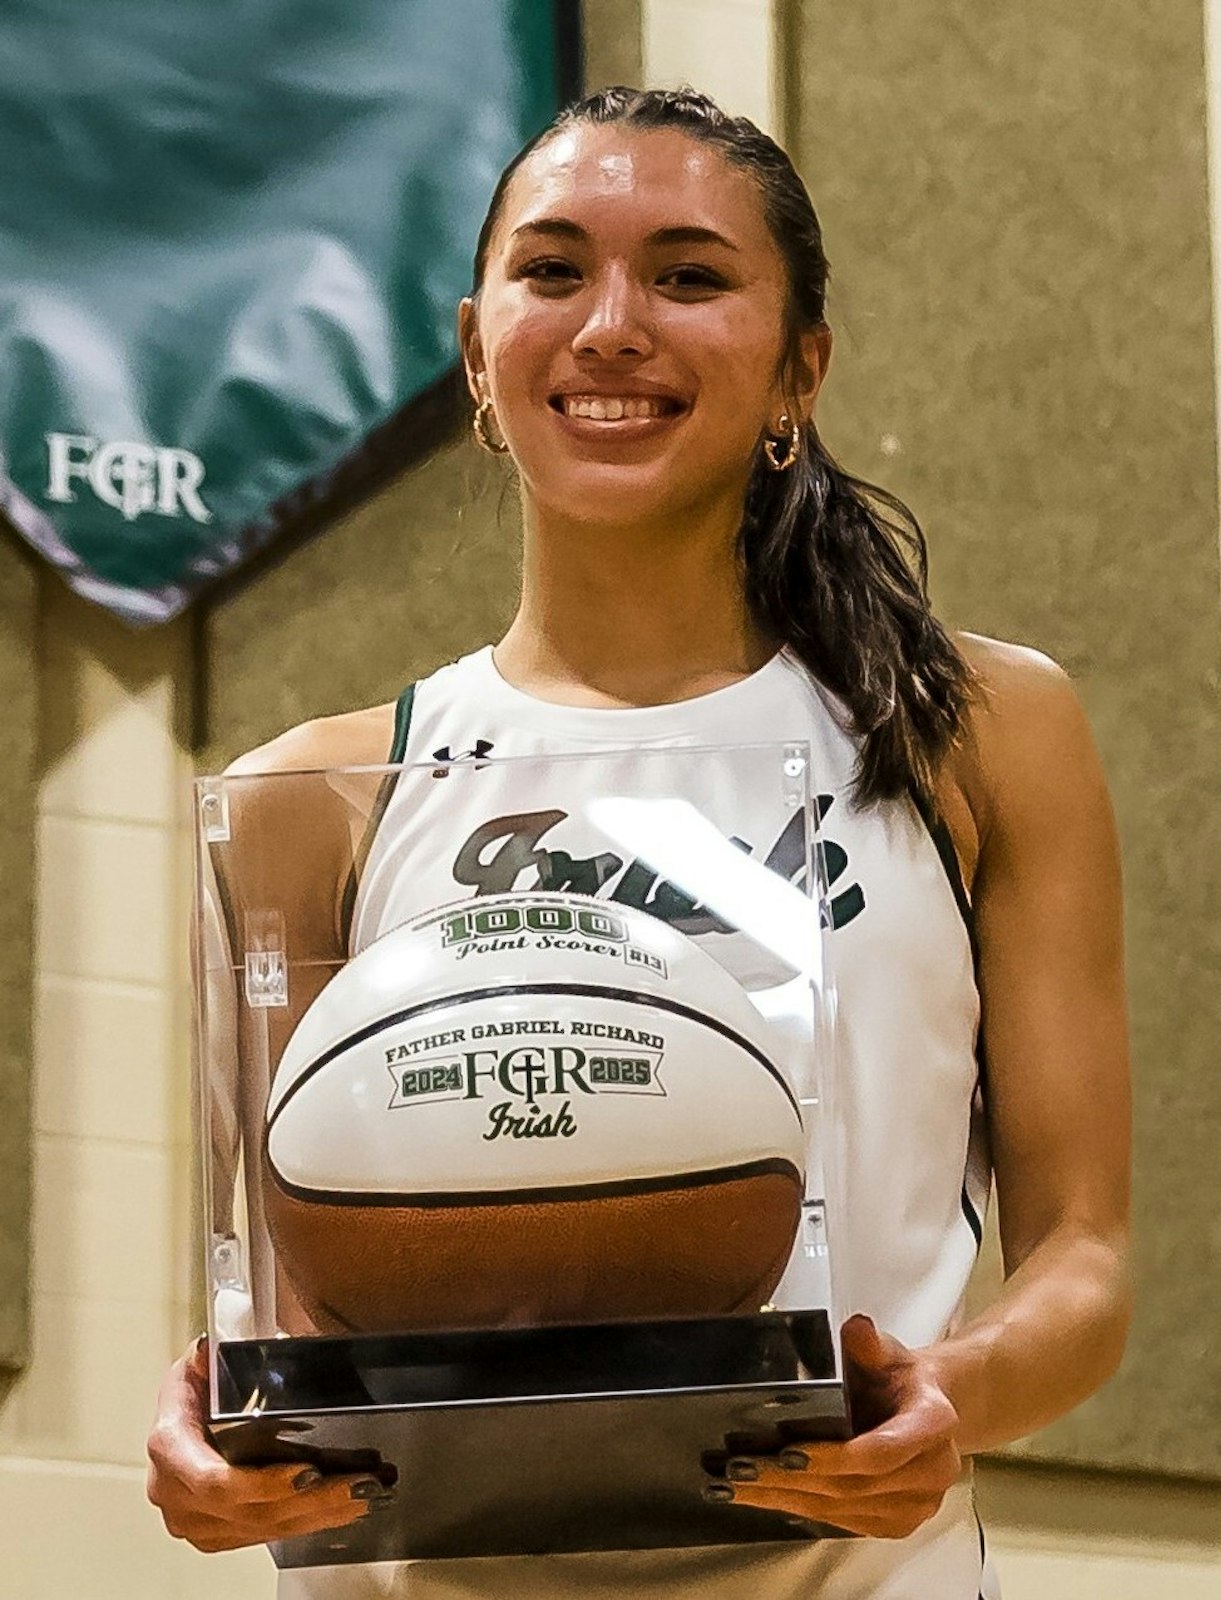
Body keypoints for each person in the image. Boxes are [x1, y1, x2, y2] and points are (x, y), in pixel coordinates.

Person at [147, 87, 1132, 1599]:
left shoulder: (970, 730)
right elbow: (274, 1305)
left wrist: (957, 1397)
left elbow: (1086, 1260)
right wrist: (213, 1434)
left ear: (799, 364)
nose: (612, 326)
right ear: (478, 351)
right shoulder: (317, 791)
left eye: (687, 275)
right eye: (553, 272)